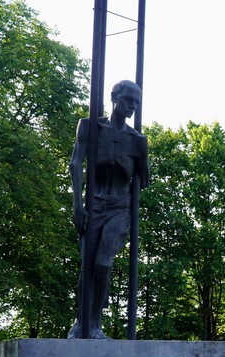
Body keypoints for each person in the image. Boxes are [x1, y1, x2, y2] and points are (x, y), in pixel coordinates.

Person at [67, 80, 149, 339]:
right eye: (128, 100)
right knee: (87, 265)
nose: (132, 106)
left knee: (103, 264)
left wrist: (137, 163)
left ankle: (94, 323)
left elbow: (143, 180)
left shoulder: (137, 140)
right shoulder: (89, 127)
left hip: (119, 208)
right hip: (93, 205)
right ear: (114, 98)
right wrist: (77, 205)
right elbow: (75, 163)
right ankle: (81, 322)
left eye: (136, 103)